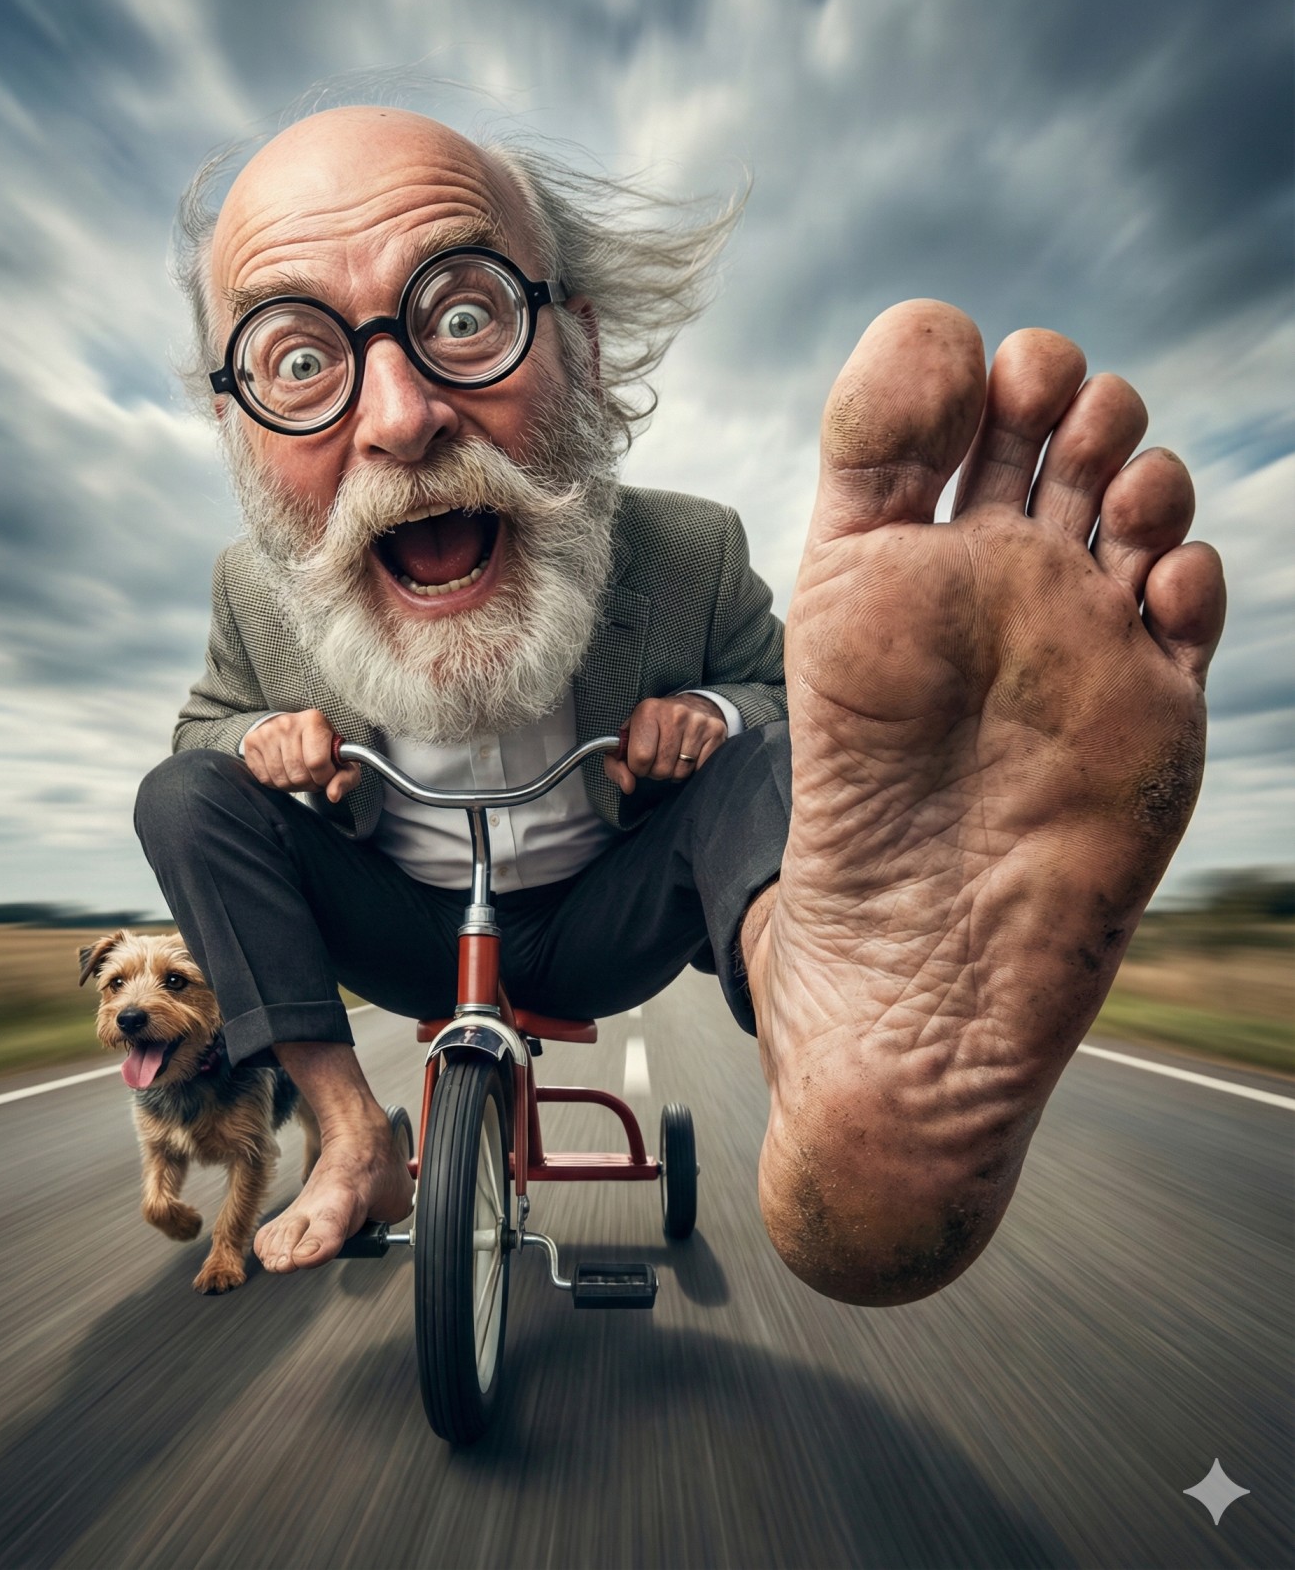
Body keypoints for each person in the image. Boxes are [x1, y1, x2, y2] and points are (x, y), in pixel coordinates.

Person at [136, 106, 1224, 1305]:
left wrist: (711, 708)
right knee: (184, 792)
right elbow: (203, 734)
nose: (401, 418)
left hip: (605, 914)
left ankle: (834, 1022)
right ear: (243, 432)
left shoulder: (692, 552)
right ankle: (347, 1130)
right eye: (299, 360)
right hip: (393, 924)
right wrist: (260, 742)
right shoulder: (256, 591)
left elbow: (773, 691)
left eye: (463, 315)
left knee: (771, 752)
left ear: (581, 355)